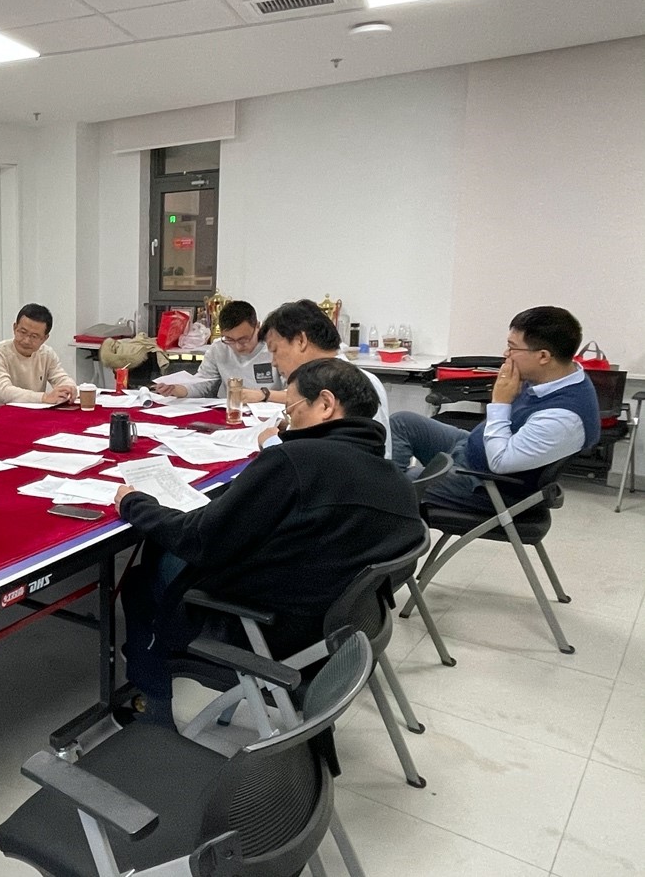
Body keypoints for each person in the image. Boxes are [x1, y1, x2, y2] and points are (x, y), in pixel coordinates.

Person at [114, 358, 425, 727]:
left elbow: (198, 539)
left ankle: (151, 713)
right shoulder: (397, 482)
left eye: (291, 410)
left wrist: (134, 503)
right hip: (341, 638)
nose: (286, 422)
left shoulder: (295, 460)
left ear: (325, 404)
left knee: (142, 578)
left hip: (270, 633)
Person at [390, 306, 600, 510]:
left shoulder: (563, 418)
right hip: (471, 449)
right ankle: (389, 501)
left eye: (513, 348)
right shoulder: (556, 376)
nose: (506, 353)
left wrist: (500, 402)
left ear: (543, 356)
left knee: (401, 484)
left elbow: (500, 462)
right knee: (402, 422)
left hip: (486, 485)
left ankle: (389, 504)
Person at [258, 298, 392, 457]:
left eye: (275, 350)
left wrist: (272, 444)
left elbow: (346, 457)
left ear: (301, 340)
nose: (273, 362)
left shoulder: (354, 383)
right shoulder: (316, 380)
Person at [154, 300, 286, 403]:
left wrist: (263, 395)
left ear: (257, 326)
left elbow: (293, 394)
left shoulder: (274, 348)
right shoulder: (219, 348)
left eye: (243, 339)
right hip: (228, 410)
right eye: (229, 339)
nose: (237, 347)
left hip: (266, 414)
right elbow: (203, 385)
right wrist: (177, 389)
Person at [0, 303, 77, 408]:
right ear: (14, 328)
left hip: (32, 411)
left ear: (45, 338)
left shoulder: (47, 354)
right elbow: (4, 391)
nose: (26, 340)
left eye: (34, 336)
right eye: (22, 332)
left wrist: (69, 388)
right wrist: (44, 397)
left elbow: (61, 378)